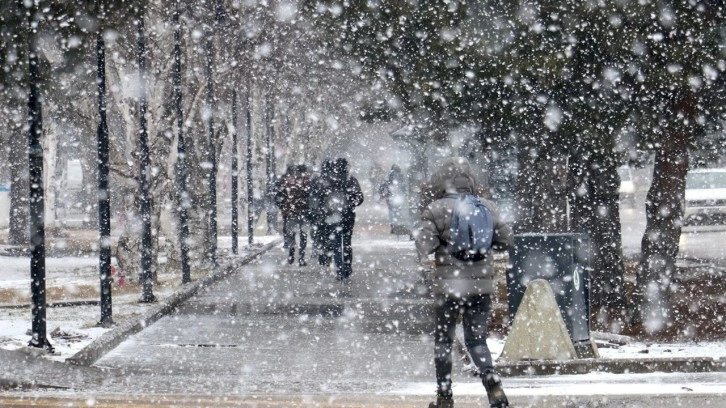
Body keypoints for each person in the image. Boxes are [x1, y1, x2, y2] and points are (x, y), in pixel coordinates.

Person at [414, 157, 513, 408]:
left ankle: (445, 397)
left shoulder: (435, 209)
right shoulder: (486, 207)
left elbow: (424, 246)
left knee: (444, 341)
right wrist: (481, 248)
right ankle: (494, 386)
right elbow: (505, 240)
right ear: (471, 181)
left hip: (449, 288)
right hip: (481, 287)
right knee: (477, 340)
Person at [323, 158, 363, 280]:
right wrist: (350, 205)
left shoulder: (329, 181)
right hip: (348, 216)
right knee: (346, 242)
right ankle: (347, 267)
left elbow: (322, 198)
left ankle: (340, 269)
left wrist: (327, 209)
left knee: (336, 243)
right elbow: (360, 198)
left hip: (333, 216)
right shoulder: (351, 180)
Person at [275, 164, 311, 266]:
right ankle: (301, 257)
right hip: (303, 212)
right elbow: (311, 198)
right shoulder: (307, 182)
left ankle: (291, 256)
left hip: (290, 213)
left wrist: (283, 208)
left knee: (291, 235)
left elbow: (279, 196)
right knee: (303, 236)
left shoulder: (287, 182)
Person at [308, 160, 334, 266]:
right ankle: (327, 253)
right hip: (330, 213)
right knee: (329, 234)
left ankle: (321, 253)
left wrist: (312, 210)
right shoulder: (333, 180)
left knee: (319, 234)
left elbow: (311, 196)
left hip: (318, 213)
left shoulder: (316, 180)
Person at [379, 164, 410, 236]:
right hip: (398, 196)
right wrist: (403, 194)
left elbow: (386, 184)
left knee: (391, 210)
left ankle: (393, 225)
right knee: (397, 210)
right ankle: (397, 224)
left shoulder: (390, 175)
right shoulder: (400, 175)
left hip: (391, 196)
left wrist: (385, 193)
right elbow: (403, 186)